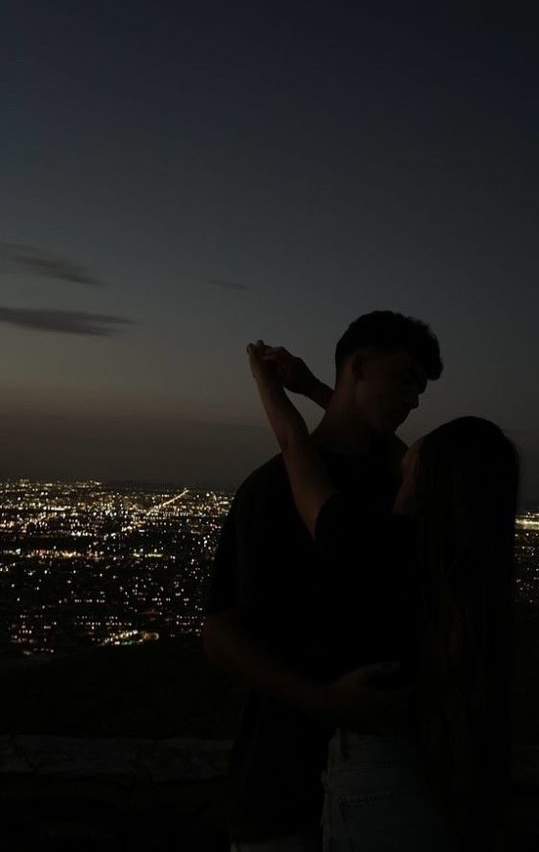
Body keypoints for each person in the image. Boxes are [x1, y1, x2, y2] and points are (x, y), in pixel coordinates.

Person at [246, 339, 519, 852]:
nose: (403, 445)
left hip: (377, 775)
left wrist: (265, 379)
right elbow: (375, 437)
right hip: (449, 775)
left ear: (421, 476)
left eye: (416, 454)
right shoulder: (471, 569)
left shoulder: (369, 546)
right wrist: (311, 386)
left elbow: (294, 445)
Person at [202, 311, 443, 851]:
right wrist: (322, 701)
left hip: (381, 778)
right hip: (286, 787)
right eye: (405, 378)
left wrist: (312, 390)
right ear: (358, 366)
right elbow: (220, 635)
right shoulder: (271, 491)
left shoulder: (396, 487)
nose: (415, 400)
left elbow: (315, 446)